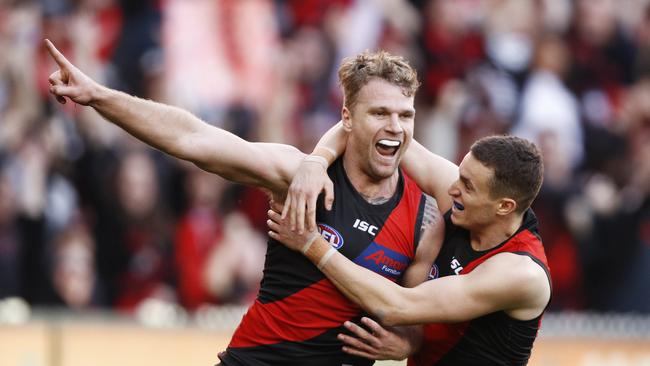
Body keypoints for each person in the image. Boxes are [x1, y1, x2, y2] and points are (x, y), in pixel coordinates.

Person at [45, 39, 445, 365]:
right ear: (347, 117)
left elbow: (414, 314)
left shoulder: (424, 219)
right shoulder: (299, 176)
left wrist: (409, 343)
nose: (395, 127)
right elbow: (193, 138)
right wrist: (97, 96)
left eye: (404, 115)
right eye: (379, 113)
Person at [269, 134, 551, 365]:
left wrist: (312, 245)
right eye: (459, 174)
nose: (452, 189)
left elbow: (397, 306)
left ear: (504, 206)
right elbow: (370, 126)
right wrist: (317, 162)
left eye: (467, 186)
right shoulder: (470, 203)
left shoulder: (521, 273)